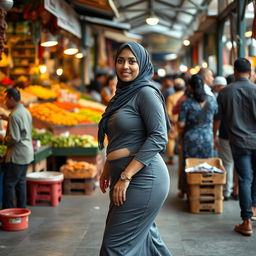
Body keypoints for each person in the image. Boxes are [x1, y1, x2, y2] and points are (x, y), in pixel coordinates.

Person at [98, 42, 172, 255]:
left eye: (132, 61)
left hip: (144, 178)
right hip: (125, 175)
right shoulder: (122, 94)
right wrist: (107, 165)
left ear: (143, 64)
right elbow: (119, 136)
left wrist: (125, 176)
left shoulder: (146, 93)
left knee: (114, 247)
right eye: (120, 60)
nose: (125, 66)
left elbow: (159, 137)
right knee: (149, 243)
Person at [214, 58, 256, 236]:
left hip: (238, 142)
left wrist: (213, 135)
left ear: (235, 71)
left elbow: (219, 118)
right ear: (250, 71)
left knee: (245, 179)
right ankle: (253, 209)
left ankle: (246, 221)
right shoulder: (255, 89)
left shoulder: (225, 92)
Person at [178, 74, 218, 196]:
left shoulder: (187, 103)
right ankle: (206, 191)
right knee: (207, 164)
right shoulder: (211, 101)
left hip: (191, 138)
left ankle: (188, 191)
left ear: (190, 87)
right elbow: (217, 117)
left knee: (189, 165)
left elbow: (181, 124)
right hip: (207, 137)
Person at [0, 88, 34, 209]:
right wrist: (7, 119)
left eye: (6, 99)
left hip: (17, 155)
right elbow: (21, 125)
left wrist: (3, 140)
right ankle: (21, 209)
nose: (4, 102)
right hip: (26, 153)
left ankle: (8, 212)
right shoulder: (25, 111)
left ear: (12, 99)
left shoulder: (14, 115)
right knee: (20, 183)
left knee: (9, 184)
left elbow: (14, 138)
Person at [212, 76, 234, 201]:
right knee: (238, 165)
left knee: (228, 163)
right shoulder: (252, 89)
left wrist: (214, 134)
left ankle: (227, 191)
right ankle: (236, 190)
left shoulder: (223, 94)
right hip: (248, 136)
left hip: (226, 133)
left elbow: (218, 117)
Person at [166, 78, 185, 165]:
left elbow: (168, 112)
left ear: (174, 87)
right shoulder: (186, 96)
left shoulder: (171, 97)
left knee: (171, 139)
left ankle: (171, 158)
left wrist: (172, 121)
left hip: (174, 122)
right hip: (184, 122)